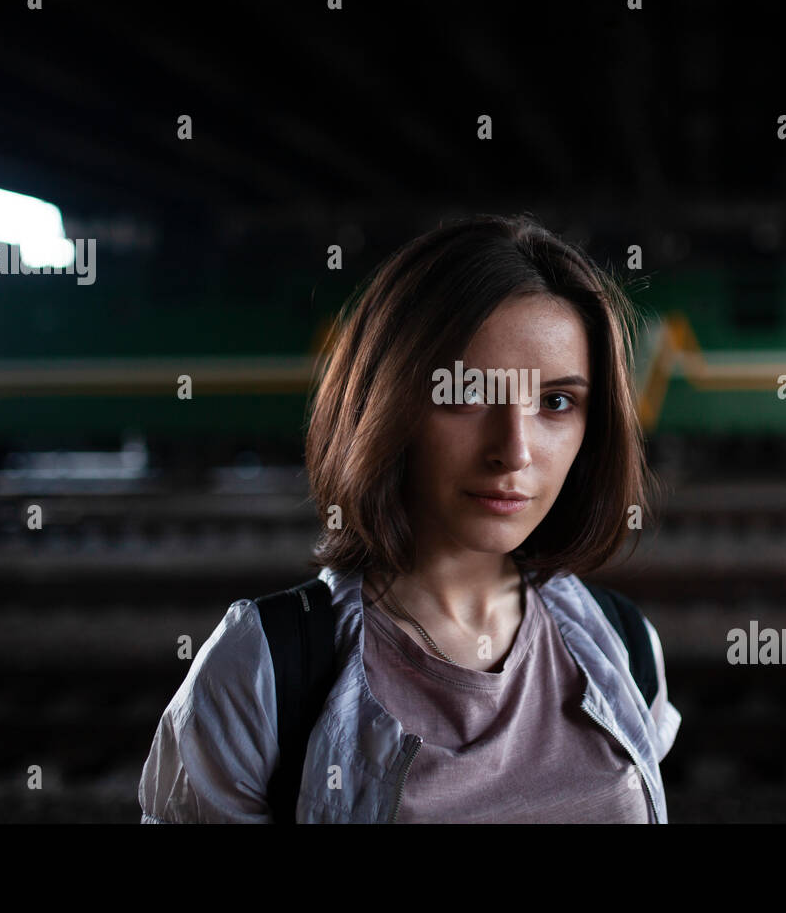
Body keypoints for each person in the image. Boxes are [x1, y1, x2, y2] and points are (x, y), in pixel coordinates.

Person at [138, 212, 681, 823]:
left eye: (556, 402)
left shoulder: (621, 644)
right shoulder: (261, 669)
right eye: (469, 394)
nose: (516, 450)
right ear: (386, 402)